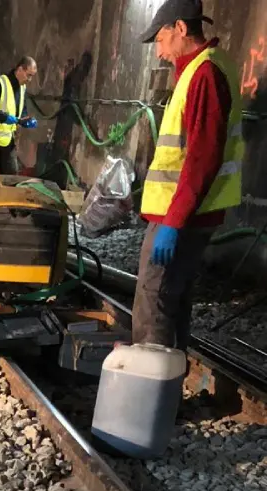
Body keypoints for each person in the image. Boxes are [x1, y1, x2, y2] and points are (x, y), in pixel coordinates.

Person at [135, 0, 243, 349]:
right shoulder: (203, 69)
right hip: (189, 212)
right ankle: (166, 390)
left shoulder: (204, 74)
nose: (160, 53)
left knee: (155, 300)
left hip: (182, 215)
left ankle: (145, 392)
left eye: (161, 41)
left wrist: (172, 223)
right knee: (173, 298)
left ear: (180, 28)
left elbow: (202, 159)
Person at [0, 56, 38, 175]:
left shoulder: (22, 88)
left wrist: (25, 120)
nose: (30, 79)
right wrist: (5, 118)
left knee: (11, 178)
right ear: (19, 69)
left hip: (8, 142)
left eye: (32, 76)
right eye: (28, 75)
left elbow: (21, 111)